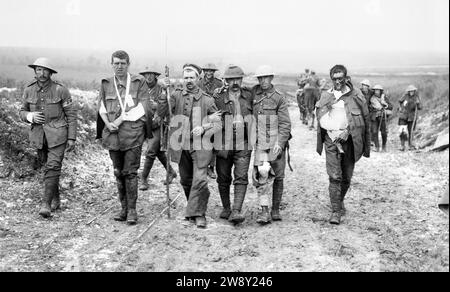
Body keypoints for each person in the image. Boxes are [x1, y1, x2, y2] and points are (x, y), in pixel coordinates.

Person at [158, 64, 221, 228]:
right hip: (180, 144)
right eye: (186, 78)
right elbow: (163, 112)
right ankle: (195, 208)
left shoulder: (208, 100)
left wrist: (204, 126)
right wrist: (163, 92)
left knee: (199, 180)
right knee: (186, 180)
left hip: (201, 146)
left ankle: (199, 214)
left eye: (192, 77)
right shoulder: (176, 95)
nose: (189, 81)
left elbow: (218, 123)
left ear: (198, 78)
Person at [96, 50, 152, 225]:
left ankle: (132, 211)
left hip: (133, 134)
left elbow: (143, 107)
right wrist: (108, 123)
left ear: (128, 64)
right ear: (111, 64)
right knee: (118, 172)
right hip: (113, 135)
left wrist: (119, 121)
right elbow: (101, 107)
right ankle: (123, 208)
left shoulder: (138, 82)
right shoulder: (106, 83)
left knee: (130, 172)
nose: (119, 66)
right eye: (116, 63)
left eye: (123, 63)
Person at [20, 57, 77, 218]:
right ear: (35, 71)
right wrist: (30, 116)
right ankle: (55, 199)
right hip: (39, 136)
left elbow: (71, 115)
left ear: (50, 73)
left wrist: (71, 138)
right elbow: (21, 111)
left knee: (53, 166)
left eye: (45, 70)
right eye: (39, 70)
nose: (42, 73)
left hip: (58, 135)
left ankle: (46, 204)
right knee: (48, 167)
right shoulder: (28, 89)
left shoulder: (60, 90)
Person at [316, 64, 370, 225]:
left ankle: (339, 201)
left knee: (346, 177)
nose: (337, 81)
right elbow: (320, 118)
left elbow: (365, 119)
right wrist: (333, 131)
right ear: (331, 79)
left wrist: (348, 131)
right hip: (331, 140)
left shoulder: (356, 95)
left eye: (340, 78)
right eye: (334, 79)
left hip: (350, 140)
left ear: (346, 78)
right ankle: (335, 211)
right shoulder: (326, 95)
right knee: (334, 176)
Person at [212, 65, 253, 224]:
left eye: (238, 79)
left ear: (242, 80)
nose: (235, 82)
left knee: (241, 177)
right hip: (223, 143)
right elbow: (209, 112)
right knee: (223, 177)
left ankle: (236, 210)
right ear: (226, 81)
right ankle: (226, 208)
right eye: (231, 79)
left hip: (243, 143)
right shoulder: (217, 98)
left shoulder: (250, 95)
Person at [252, 65, 292, 224]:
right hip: (261, 144)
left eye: (265, 77)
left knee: (279, 177)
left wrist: (280, 143)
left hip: (276, 144)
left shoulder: (279, 97)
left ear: (271, 78)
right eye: (260, 78)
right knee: (261, 178)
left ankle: (275, 209)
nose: (263, 81)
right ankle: (264, 211)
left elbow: (285, 124)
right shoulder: (254, 94)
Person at [138, 66, 177, 191]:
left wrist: (157, 105)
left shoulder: (162, 89)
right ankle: (171, 172)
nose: (148, 77)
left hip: (157, 124)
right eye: (146, 74)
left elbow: (168, 107)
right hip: (143, 123)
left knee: (150, 151)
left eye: (151, 74)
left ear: (156, 76)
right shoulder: (141, 89)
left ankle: (144, 178)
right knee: (157, 152)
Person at [199, 63, 223, 180]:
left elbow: (223, 98)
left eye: (211, 71)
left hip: (215, 114)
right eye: (207, 71)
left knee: (214, 141)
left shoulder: (219, 83)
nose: (209, 73)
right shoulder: (198, 83)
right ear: (203, 71)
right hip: (202, 114)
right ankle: (203, 165)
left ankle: (211, 167)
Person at [370, 84, 393, 152]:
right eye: (375, 90)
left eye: (378, 90)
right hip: (374, 117)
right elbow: (369, 107)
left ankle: (384, 146)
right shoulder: (372, 98)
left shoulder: (384, 97)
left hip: (383, 117)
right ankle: (377, 147)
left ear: (380, 91)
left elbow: (391, 106)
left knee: (384, 132)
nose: (376, 92)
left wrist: (385, 105)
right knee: (374, 132)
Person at [398, 85, 422, 151]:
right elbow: (399, 102)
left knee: (411, 131)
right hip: (403, 116)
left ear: (414, 91)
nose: (411, 92)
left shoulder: (416, 97)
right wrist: (401, 107)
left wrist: (418, 103)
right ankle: (402, 146)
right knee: (402, 131)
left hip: (412, 117)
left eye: (412, 91)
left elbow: (420, 107)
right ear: (408, 91)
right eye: (410, 91)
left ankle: (410, 145)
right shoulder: (405, 96)